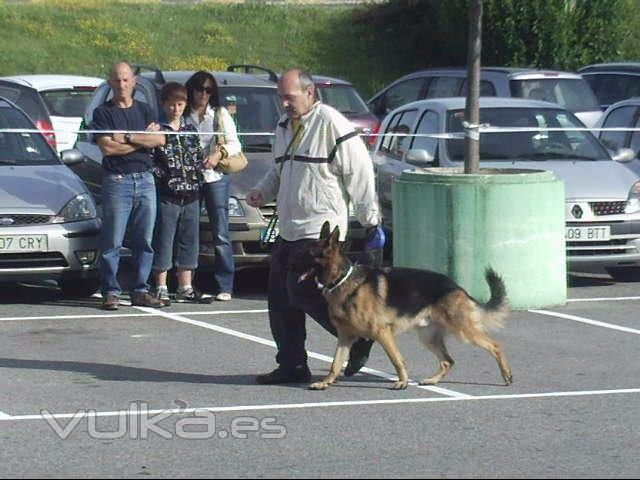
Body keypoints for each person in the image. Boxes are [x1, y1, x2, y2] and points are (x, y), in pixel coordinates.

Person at [247, 68, 385, 384]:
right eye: (280, 97)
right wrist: (262, 191)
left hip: (320, 231)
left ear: (310, 94)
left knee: (300, 290)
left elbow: (360, 172)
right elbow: (278, 172)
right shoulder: (283, 127)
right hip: (289, 227)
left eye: (289, 97)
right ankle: (292, 364)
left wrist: (371, 221)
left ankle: (360, 336)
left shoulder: (331, 124)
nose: (283, 104)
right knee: (280, 300)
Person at [92, 62, 166, 310]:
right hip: (118, 181)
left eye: (126, 80)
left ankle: (140, 290)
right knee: (112, 240)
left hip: (145, 179)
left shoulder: (146, 110)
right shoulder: (103, 113)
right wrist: (141, 140)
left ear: (133, 81)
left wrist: (128, 137)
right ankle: (111, 291)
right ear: (110, 83)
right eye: (117, 80)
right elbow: (108, 148)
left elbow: (159, 139)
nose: (122, 85)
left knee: (144, 240)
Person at [185, 71, 241, 302]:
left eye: (208, 90)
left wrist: (218, 154)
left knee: (220, 232)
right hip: (189, 178)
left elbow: (235, 143)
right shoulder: (183, 113)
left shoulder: (219, 114)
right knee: (188, 231)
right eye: (199, 89)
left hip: (215, 177)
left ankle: (225, 284)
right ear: (192, 90)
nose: (203, 94)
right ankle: (187, 283)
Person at [151, 82, 209, 305]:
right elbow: (152, 161)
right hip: (168, 194)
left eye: (180, 104)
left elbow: (196, 157)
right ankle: (161, 285)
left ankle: (185, 286)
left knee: (189, 240)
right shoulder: (158, 130)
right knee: (164, 239)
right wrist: (164, 178)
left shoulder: (189, 130)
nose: (176, 109)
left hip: (192, 193)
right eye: (172, 104)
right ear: (164, 104)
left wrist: (198, 175)